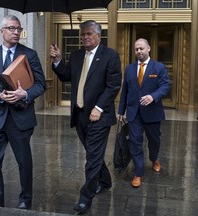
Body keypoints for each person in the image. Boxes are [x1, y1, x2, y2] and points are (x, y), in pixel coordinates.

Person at [50, 20, 122, 214]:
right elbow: (66, 76)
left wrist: (98, 107)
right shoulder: (76, 55)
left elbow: (113, 85)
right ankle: (105, 181)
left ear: (99, 35)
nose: (85, 37)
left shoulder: (110, 56)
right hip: (80, 114)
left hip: (99, 116)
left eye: (89, 34)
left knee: (91, 156)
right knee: (93, 153)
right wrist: (57, 61)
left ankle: (85, 196)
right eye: (82, 35)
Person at [0, 15, 46, 209]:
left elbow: (41, 85)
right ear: (2, 31)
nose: (16, 32)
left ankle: (25, 200)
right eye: (11, 28)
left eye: (18, 29)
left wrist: (24, 94)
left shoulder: (30, 54)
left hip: (21, 119)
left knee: (24, 162)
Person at [117, 38, 170, 188]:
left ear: (149, 49)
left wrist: (153, 96)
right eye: (136, 49)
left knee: (155, 141)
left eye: (141, 48)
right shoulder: (129, 69)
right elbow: (125, 92)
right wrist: (121, 111)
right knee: (135, 142)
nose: (139, 51)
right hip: (134, 113)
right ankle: (138, 173)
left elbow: (165, 86)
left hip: (152, 113)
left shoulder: (159, 67)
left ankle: (154, 159)